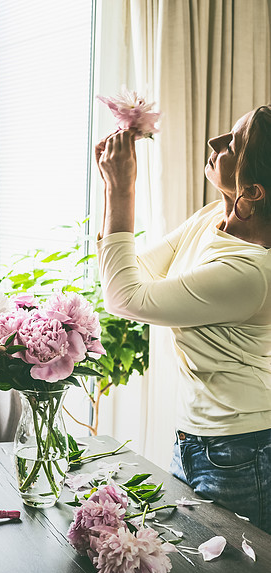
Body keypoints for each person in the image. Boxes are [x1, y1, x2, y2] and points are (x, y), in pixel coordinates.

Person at [95, 105, 271, 534]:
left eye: (233, 142)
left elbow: (123, 295)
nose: (216, 143)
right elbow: (133, 273)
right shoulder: (212, 218)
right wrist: (111, 191)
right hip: (194, 440)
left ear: (253, 191)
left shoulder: (250, 272)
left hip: (242, 451)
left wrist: (120, 193)